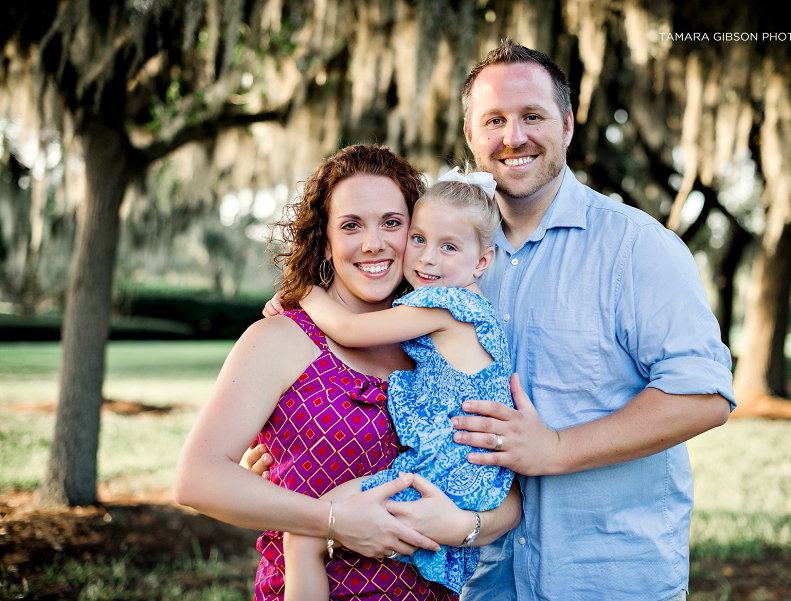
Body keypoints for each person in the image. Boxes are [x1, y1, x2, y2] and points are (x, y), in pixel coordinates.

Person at [261, 40, 735, 601]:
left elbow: (704, 394)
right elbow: (375, 318)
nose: (513, 137)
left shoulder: (636, 248)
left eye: (532, 116)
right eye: (494, 120)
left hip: (604, 576)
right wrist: (298, 425)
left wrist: (556, 448)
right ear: (470, 135)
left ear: (567, 124)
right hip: (482, 578)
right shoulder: (446, 241)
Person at [174, 144, 521, 601]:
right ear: (326, 240)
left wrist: (463, 526)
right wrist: (333, 522)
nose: (373, 243)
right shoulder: (280, 338)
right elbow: (196, 478)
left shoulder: (432, 347)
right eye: (351, 225)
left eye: (392, 224)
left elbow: (506, 490)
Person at [283, 168, 515, 600]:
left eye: (449, 247)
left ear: (481, 262)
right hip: (471, 471)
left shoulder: (446, 306)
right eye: (419, 239)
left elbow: (350, 331)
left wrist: (303, 294)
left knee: (304, 534)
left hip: (444, 471)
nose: (427, 258)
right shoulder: (480, 310)